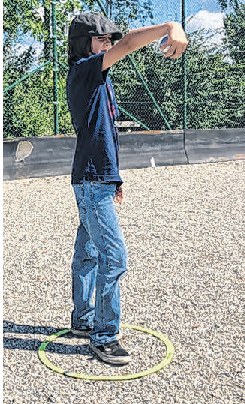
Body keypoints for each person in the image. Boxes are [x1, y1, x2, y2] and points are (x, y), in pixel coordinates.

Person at [66, 12, 188, 366]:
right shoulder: (86, 69)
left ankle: (82, 321)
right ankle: (103, 337)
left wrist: (113, 178)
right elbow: (131, 42)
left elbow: (104, 134)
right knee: (113, 256)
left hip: (93, 179)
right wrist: (170, 27)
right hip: (90, 180)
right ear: (84, 44)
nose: (108, 43)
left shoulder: (97, 80)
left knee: (89, 252)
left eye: (109, 39)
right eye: (101, 38)